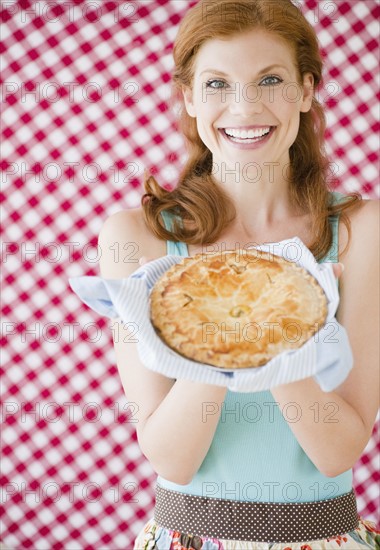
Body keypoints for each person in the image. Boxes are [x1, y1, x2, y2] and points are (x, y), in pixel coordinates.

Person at [97, 0, 379, 548]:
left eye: (269, 80)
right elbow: (173, 460)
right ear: (189, 97)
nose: (244, 108)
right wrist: (222, 314)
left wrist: (282, 316)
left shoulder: (361, 229)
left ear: (305, 90)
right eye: (218, 84)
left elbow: (338, 450)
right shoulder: (138, 237)